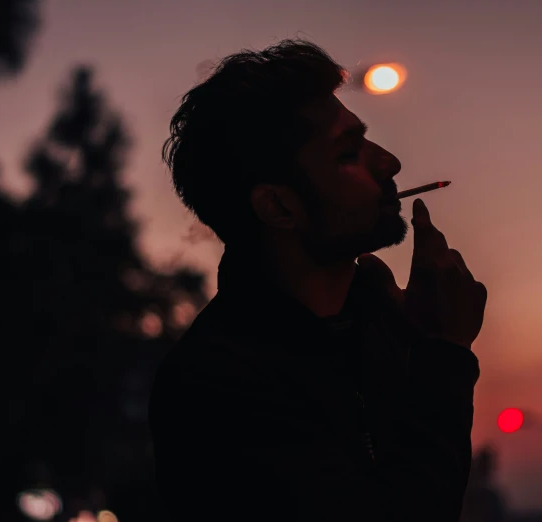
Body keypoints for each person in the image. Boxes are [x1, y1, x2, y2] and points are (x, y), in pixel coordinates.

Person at [148, 39, 487, 522]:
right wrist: (447, 352)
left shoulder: (381, 325)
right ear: (280, 206)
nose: (389, 162)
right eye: (348, 154)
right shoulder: (216, 385)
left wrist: (418, 346)